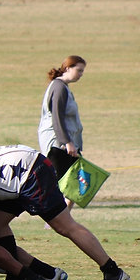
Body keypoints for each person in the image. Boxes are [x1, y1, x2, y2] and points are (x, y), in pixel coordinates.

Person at [0, 144, 130, 280]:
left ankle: (113, 271)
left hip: (28, 172)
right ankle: (18, 277)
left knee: (65, 226)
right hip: (18, 174)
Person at [38, 55, 87, 213]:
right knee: (64, 186)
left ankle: (62, 220)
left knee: (73, 186)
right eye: (78, 70)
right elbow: (57, 117)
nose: (81, 74)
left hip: (65, 144)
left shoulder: (63, 87)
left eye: (82, 71)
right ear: (67, 68)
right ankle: (56, 221)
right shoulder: (59, 87)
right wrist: (67, 142)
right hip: (58, 146)